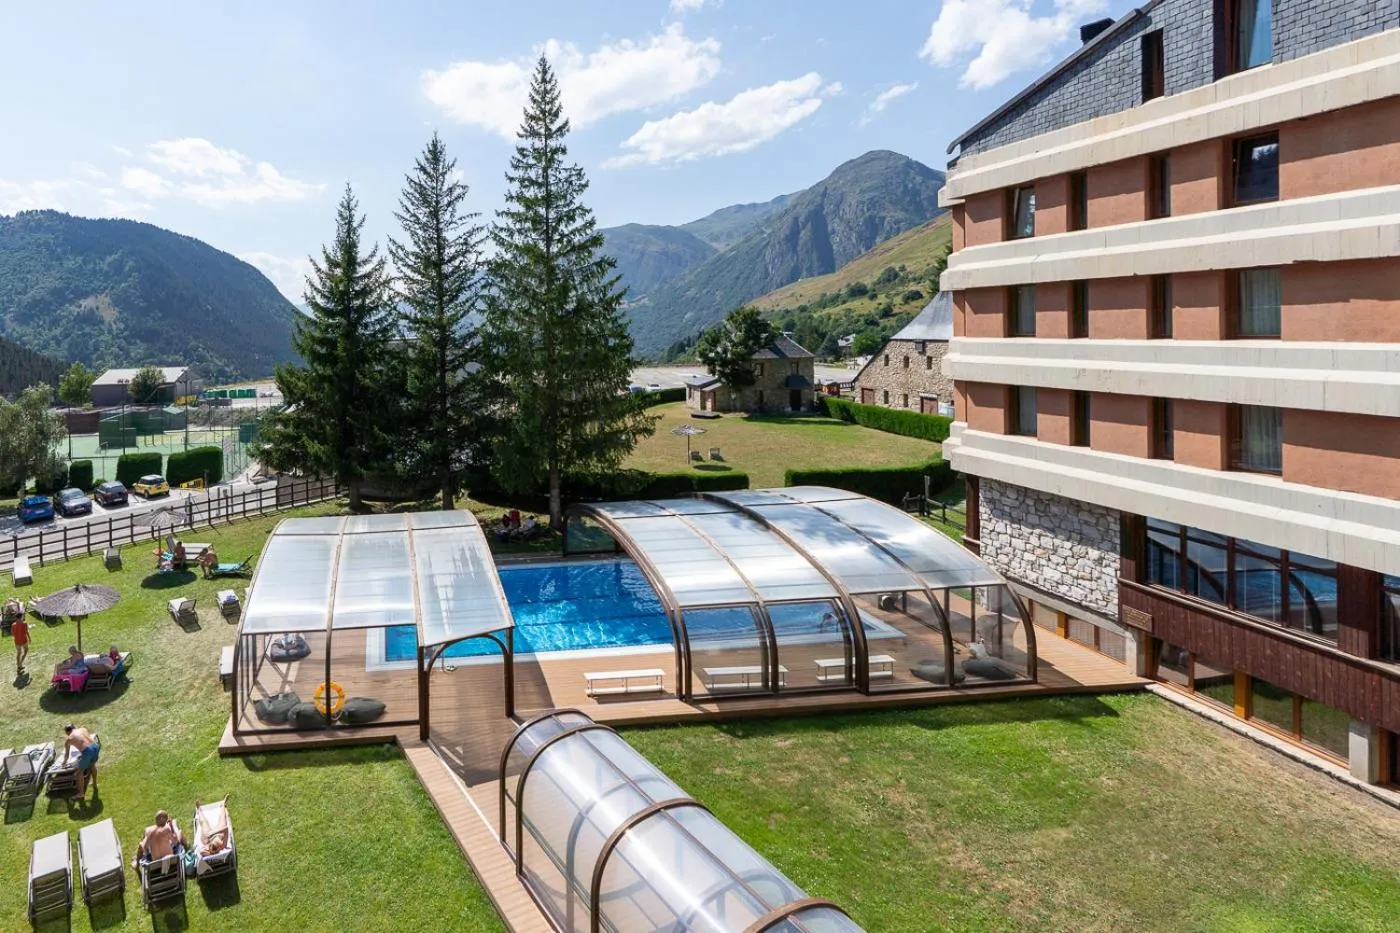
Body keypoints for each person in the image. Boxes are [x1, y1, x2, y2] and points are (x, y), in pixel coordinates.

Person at [63, 724, 100, 798]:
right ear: (74, 727)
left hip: (88, 751)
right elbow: (84, 741)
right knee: (92, 765)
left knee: (79, 773)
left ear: (67, 732)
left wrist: (63, 763)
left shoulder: (69, 739)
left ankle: (80, 794)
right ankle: (95, 783)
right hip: (95, 746)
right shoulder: (83, 729)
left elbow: (67, 755)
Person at [11, 613, 29, 677]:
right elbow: (26, 632)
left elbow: (12, 634)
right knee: (26, 651)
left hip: (17, 641)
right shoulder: (25, 623)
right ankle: (20, 664)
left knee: (18, 653)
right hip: (24, 640)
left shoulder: (13, 625)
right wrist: (29, 638)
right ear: (21, 617)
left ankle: (18, 666)